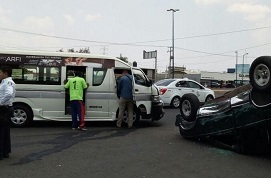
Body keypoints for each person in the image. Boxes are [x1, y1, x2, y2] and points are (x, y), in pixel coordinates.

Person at [0, 66, 16, 160]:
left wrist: (0, 103)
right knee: (4, 131)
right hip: (5, 108)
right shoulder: (4, 82)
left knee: (1, 132)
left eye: (0, 72)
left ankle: (1, 153)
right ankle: (5, 151)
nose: (0, 74)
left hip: (4, 108)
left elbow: (9, 94)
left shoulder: (8, 82)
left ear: (5, 73)